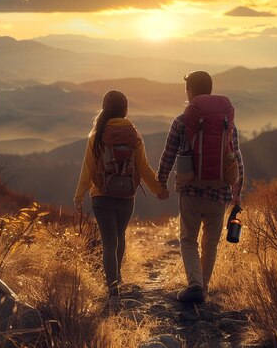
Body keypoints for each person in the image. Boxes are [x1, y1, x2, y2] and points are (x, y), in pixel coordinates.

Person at [74, 90, 169, 310]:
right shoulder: (134, 134)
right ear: (126, 109)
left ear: (105, 108)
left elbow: (87, 169)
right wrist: (158, 189)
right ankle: (118, 278)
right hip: (126, 197)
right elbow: (143, 167)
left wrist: (79, 195)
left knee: (108, 242)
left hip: (101, 197)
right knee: (119, 236)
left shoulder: (96, 134)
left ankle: (113, 291)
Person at [157, 71, 244, 303]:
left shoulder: (182, 121)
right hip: (219, 192)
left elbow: (168, 154)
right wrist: (237, 193)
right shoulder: (228, 124)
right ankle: (203, 289)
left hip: (190, 191)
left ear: (191, 91)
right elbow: (236, 158)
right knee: (210, 244)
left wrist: (161, 182)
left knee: (188, 240)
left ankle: (194, 284)